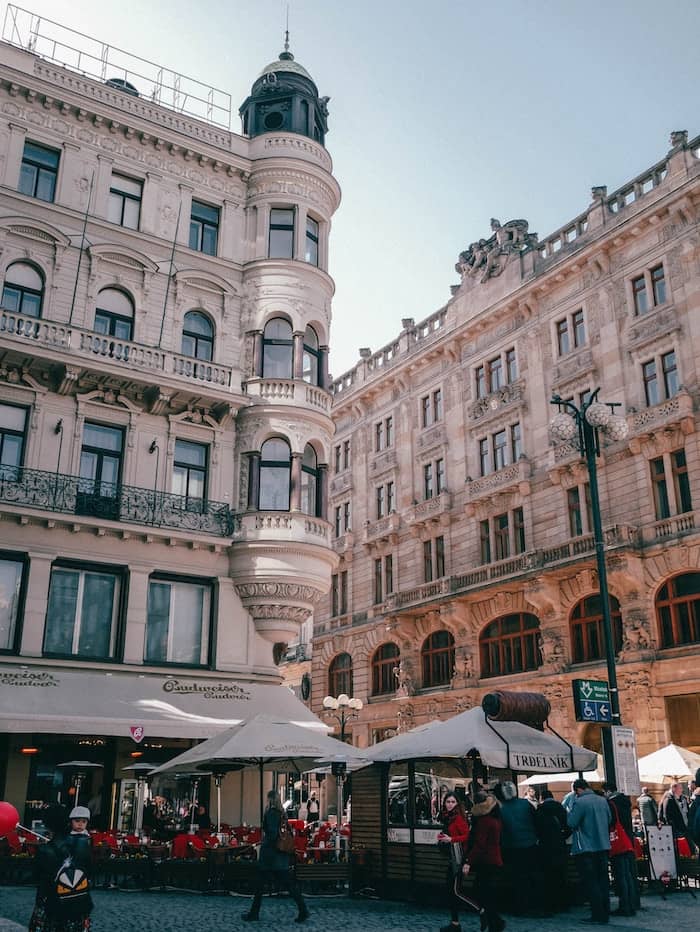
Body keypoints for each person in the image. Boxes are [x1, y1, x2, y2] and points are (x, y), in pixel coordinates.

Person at [242, 789, 309, 924]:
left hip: (271, 857)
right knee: (288, 885)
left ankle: (254, 913)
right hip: (280, 856)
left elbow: (272, 835)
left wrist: (265, 841)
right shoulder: (282, 814)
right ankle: (303, 909)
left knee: (261, 886)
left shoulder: (271, 813)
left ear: (270, 799)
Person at [494, 781, 545, 917]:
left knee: (517, 879)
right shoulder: (525, 804)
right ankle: (536, 906)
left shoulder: (501, 810)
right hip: (530, 845)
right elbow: (538, 821)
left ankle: (521, 907)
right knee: (532, 877)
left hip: (511, 848)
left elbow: (499, 831)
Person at [567, 778, 612, 925]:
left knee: (591, 882)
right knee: (603, 880)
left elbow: (571, 823)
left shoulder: (580, 802)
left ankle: (597, 914)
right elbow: (610, 819)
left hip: (586, 848)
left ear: (577, 790)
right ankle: (605, 912)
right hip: (603, 846)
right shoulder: (602, 800)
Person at [463, 792, 505, 932]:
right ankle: (495, 922)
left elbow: (480, 845)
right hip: (494, 860)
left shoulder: (484, 821)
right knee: (486, 893)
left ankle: (495, 922)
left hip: (487, 861)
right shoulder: (495, 818)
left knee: (482, 893)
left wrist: (468, 861)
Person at [602, 784, 639, 917]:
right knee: (628, 875)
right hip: (627, 840)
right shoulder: (625, 801)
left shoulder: (612, 803)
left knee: (620, 875)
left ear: (608, 791)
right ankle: (631, 904)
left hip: (617, 842)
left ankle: (624, 906)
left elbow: (610, 822)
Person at [436, 792, 471, 932]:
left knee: (455, 891)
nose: (449, 804)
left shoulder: (458, 818)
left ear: (457, 804)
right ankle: (454, 923)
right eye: (447, 801)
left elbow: (467, 837)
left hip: (459, 858)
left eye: (452, 802)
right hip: (452, 857)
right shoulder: (448, 818)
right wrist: (442, 837)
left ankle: (481, 910)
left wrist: (451, 839)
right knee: (451, 891)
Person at [534, 789, 570, 913]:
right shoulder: (560, 807)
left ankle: (551, 904)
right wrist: (562, 837)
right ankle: (563, 902)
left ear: (541, 797)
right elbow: (568, 826)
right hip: (560, 845)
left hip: (546, 846)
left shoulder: (540, 809)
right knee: (561, 874)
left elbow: (536, 827)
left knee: (548, 876)